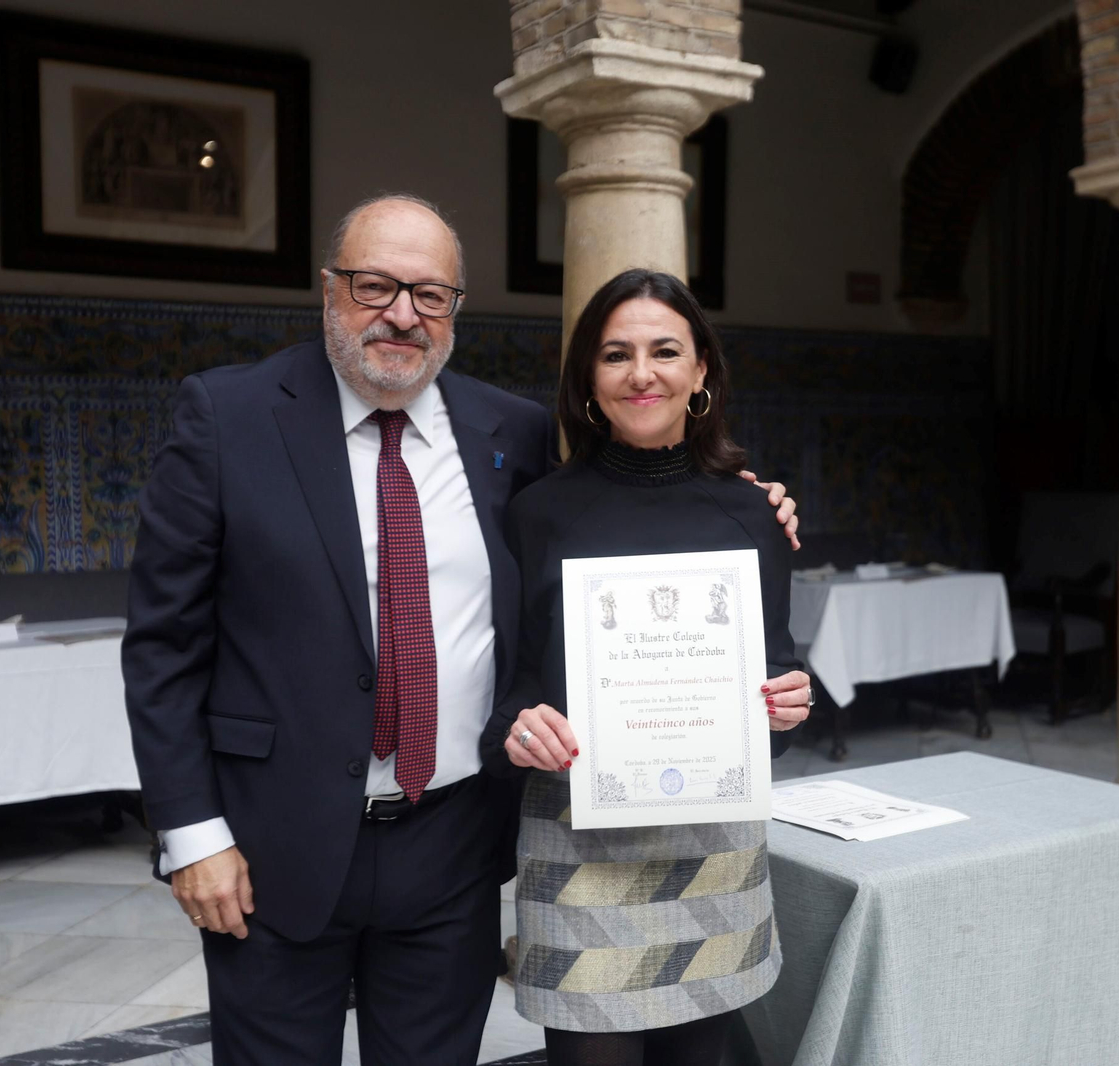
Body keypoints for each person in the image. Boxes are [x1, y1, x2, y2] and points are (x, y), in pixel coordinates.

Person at [122, 194, 799, 1065]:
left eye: (430, 294)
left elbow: (597, 555)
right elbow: (164, 647)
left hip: (452, 852)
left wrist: (754, 509)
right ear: (330, 291)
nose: (402, 313)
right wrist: (192, 836)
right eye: (376, 287)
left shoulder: (508, 433)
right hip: (271, 847)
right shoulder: (229, 416)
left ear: (455, 311)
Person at [480, 269, 812, 1065]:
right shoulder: (537, 513)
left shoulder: (754, 513)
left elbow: (779, 674)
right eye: (615, 354)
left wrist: (793, 704)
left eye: (665, 351)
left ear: (701, 372)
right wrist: (519, 729)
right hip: (577, 846)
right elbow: (510, 689)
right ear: (587, 381)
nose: (642, 373)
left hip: (712, 850)